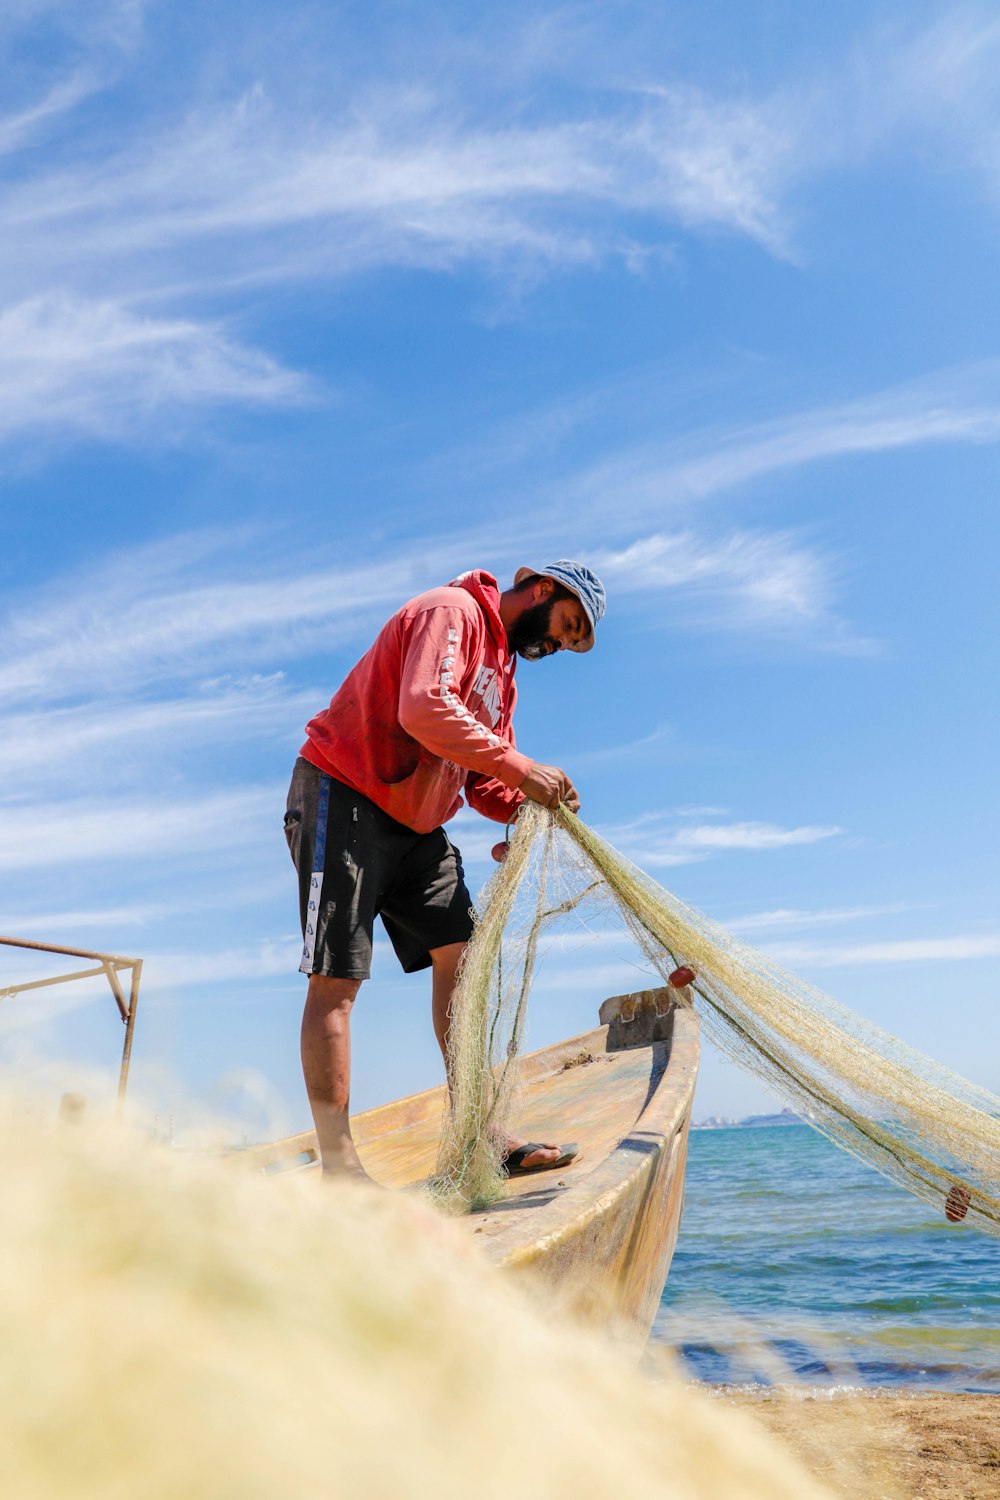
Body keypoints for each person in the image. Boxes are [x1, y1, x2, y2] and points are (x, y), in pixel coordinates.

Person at [284, 560, 606, 1181]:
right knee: (337, 980)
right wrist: (521, 769)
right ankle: (339, 1166)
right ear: (542, 589)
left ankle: (480, 1133)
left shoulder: (503, 676)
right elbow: (424, 709)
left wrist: (529, 806)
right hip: (343, 793)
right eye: (564, 625)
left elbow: (485, 781)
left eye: (567, 645)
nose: (556, 644)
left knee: (463, 958)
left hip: (418, 822)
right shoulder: (450, 612)